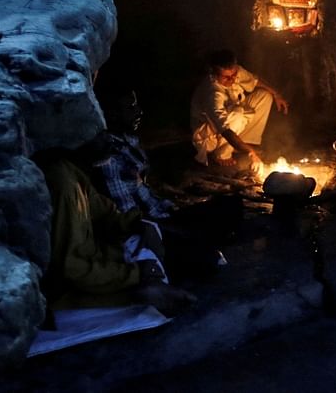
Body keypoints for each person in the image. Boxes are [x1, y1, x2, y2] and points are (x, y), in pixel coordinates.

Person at [92, 88, 241, 277]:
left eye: (136, 105)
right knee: (204, 254)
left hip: (163, 214)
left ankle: (197, 240)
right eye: (130, 108)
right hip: (151, 228)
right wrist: (176, 227)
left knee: (231, 204)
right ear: (111, 115)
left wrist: (173, 208)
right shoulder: (109, 156)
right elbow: (131, 218)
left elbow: (146, 192)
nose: (139, 111)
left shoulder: (127, 138)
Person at [39, 151, 194, 316]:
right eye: (99, 135)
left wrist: (137, 223)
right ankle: (142, 292)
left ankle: (151, 284)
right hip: (65, 293)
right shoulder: (62, 184)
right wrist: (137, 273)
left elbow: (105, 214)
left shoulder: (70, 170)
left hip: (97, 256)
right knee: (167, 269)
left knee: (177, 247)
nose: (107, 142)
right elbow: (71, 268)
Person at [190, 49, 289, 168]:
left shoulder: (234, 71)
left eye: (234, 75)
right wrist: (251, 153)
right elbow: (225, 130)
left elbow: (255, 81)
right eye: (226, 77)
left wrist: (276, 94)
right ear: (213, 73)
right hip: (209, 138)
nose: (232, 80)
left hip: (233, 119)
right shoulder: (213, 94)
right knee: (238, 113)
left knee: (264, 96)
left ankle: (245, 143)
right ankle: (222, 154)